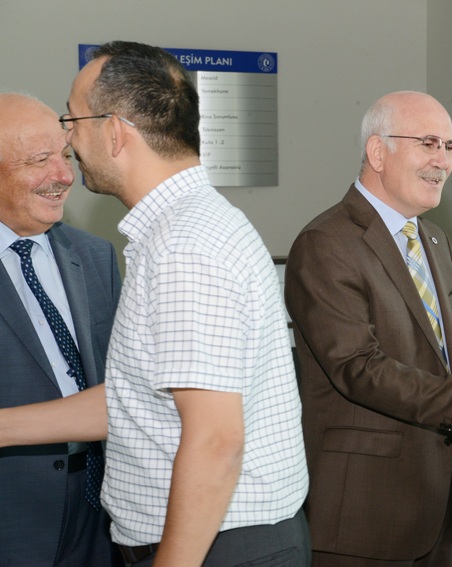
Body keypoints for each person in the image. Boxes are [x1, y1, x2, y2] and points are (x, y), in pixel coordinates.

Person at [0, 41, 310, 566]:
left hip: (216, 547)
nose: (68, 141)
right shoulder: (187, 228)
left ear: (114, 133)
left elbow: (214, 442)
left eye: (72, 121)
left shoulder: (182, 248)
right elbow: (135, 397)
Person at [284, 90, 452, 567]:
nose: (442, 161)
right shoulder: (325, 244)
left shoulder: (433, 238)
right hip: (363, 516)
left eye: (450, 147)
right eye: (428, 143)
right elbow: (358, 369)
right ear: (377, 152)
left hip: (437, 502)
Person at [0, 93, 122, 566]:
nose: (65, 175)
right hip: (14, 511)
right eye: (39, 160)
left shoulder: (95, 255)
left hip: (103, 509)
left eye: (66, 155)